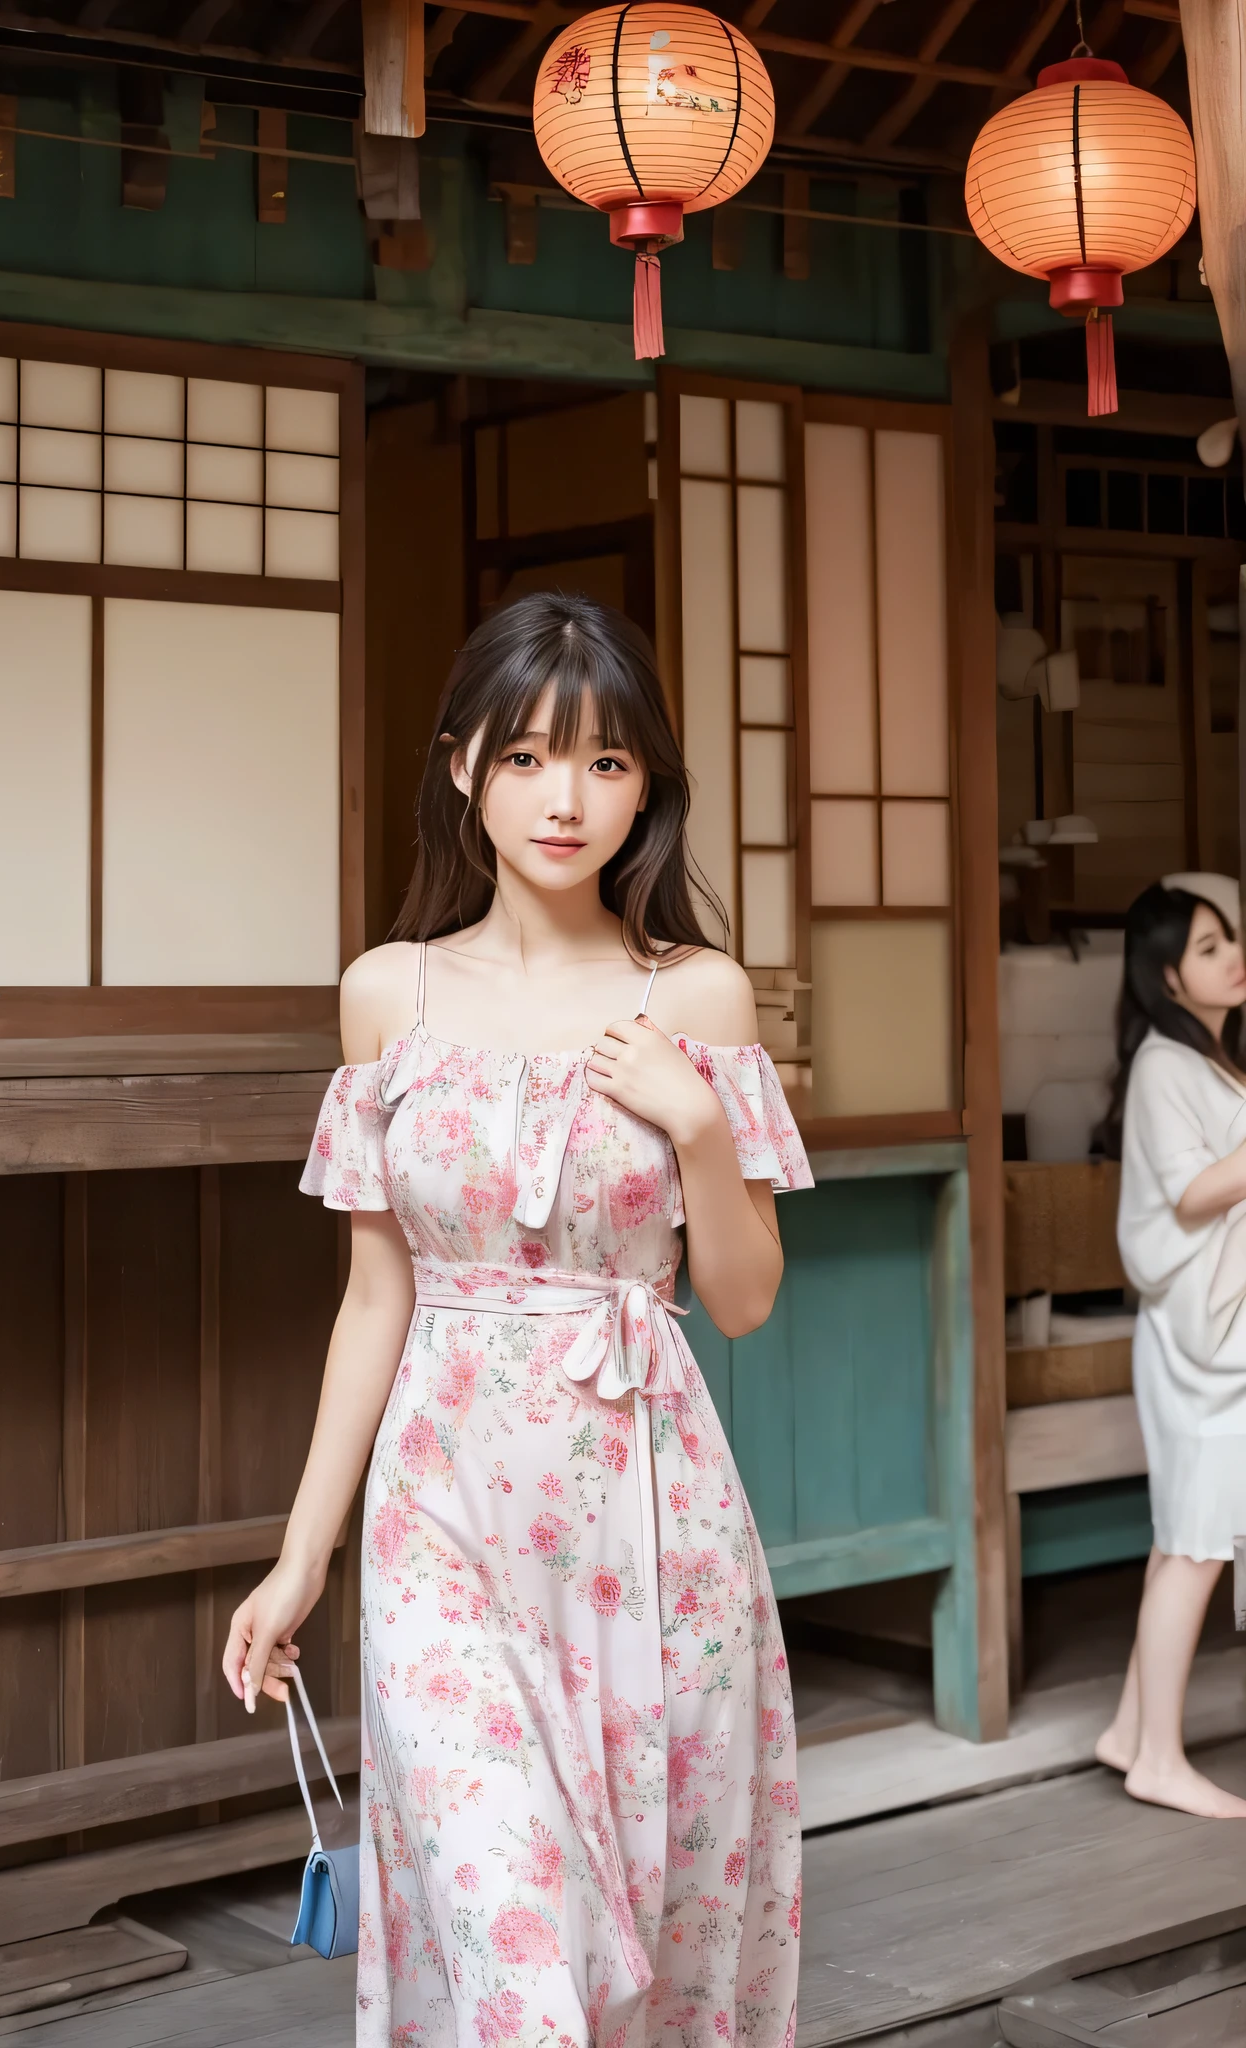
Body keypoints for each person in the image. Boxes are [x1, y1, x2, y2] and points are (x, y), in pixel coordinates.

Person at [223, 591, 810, 2043]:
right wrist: (302, 1557)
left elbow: (741, 1302)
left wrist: (700, 1134)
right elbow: (375, 1300)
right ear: (462, 764)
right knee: (507, 1930)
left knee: (662, 1940)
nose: (568, 799)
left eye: (609, 764)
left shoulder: (702, 999)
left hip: (652, 1528)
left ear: (647, 789)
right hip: (447, 1530)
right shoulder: (389, 997)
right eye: (533, 756)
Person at [1095, 880, 1246, 1819]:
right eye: (1206, 948)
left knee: (1181, 1543)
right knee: (1197, 1547)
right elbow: (1194, 1196)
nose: (1232, 956)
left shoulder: (1208, 1060)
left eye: (1229, 938)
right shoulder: (1165, 1065)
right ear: (1164, 976)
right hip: (1202, 1340)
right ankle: (1157, 1757)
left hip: (1208, 1331)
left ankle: (1126, 1730)